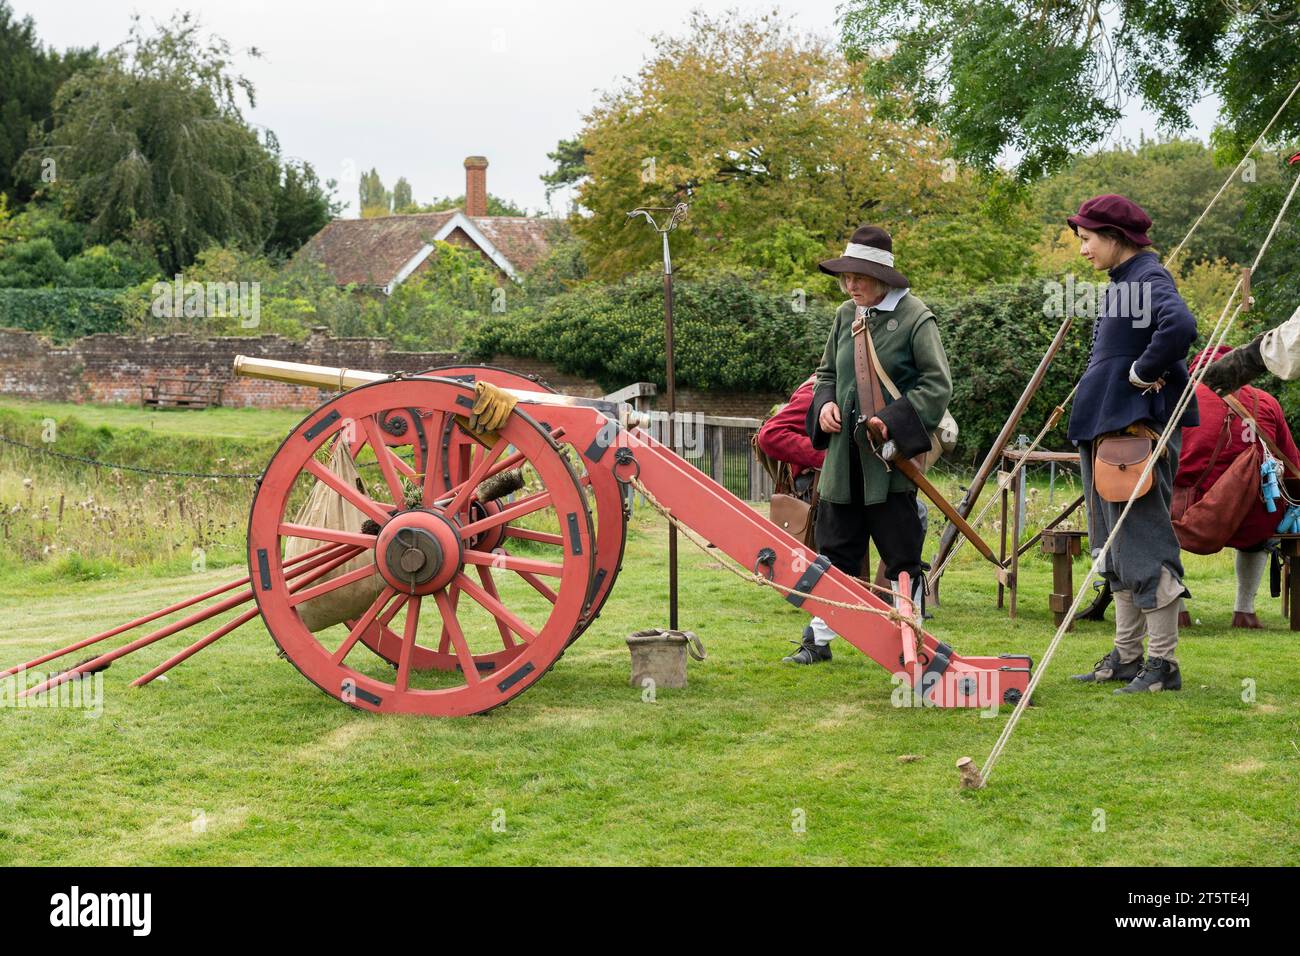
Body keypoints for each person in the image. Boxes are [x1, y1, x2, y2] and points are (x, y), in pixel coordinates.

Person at [785, 224, 950, 666]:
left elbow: (936, 386)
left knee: (900, 557)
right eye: (846, 277)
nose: (851, 284)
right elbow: (826, 375)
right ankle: (817, 640)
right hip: (845, 459)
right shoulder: (845, 315)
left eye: (859, 277)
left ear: (883, 277)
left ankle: (910, 640)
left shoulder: (917, 317)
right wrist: (823, 407)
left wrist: (889, 422)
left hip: (889, 462)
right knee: (836, 551)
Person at [1065, 194, 1199, 694]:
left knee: (1142, 543)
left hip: (1134, 430)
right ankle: (1126, 656)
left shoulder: (1147, 277)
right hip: (1111, 428)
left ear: (1115, 237)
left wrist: (1144, 371)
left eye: (1088, 240)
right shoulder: (1127, 281)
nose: (1083, 251)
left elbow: (1180, 326)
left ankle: (1162, 665)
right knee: (1114, 547)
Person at [756, 374, 929, 664]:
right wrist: (834, 459)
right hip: (824, 484)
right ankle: (818, 640)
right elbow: (770, 435)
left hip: (868, 481)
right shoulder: (817, 390)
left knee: (907, 535)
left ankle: (908, 628)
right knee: (837, 560)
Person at [1178, 346, 1300, 627]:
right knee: (1259, 534)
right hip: (1255, 513)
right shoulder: (1266, 402)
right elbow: (1292, 463)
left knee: (1159, 524)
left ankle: (1177, 609)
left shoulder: (1181, 398)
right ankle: (1244, 611)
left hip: (1191, 511)